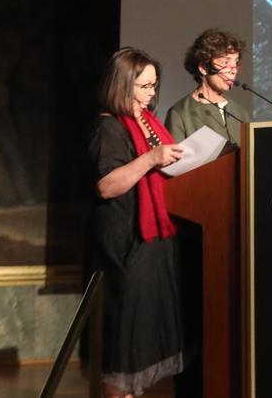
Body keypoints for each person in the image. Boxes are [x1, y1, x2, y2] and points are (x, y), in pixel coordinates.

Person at [86, 47, 186, 398]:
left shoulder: (148, 121)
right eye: (143, 87)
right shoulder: (108, 126)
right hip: (124, 244)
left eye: (154, 86)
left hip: (152, 243)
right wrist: (151, 159)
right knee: (122, 343)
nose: (151, 94)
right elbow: (106, 184)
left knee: (141, 339)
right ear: (121, 87)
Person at [165, 28, 245, 148]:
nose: (233, 70)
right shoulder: (180, 113)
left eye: (236, 62)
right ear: (203, 67)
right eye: (225, 63)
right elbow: (174, 164)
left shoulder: (240, 113)